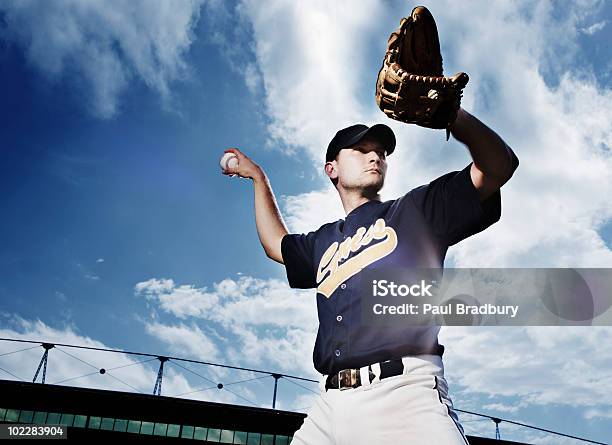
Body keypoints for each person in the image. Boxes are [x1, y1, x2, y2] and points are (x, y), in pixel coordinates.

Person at [222, 107, 518, 444]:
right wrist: (258, 178)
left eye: (380, 151)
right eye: (361, 150)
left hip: (405, 396)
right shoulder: (323, 242)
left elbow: (498, 167)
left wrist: (454, 116)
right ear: (331, 169)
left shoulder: (416, 211)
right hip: (330, 406)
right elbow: (276, 245)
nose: (374, 156)